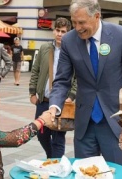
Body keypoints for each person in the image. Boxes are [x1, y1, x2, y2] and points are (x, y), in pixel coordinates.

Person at [45, 0, 122, 165]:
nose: (77, 28)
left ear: (97, 16)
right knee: (84, 172)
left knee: (118, 173)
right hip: (85, 124)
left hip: (116, 123)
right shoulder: (69, 41)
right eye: (74, 22)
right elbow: (62, 81)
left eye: (82, 22)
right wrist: (54, 107)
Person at [29, 17, 76, 158]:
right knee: (41, 133)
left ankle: (55, 164)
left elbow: (78, 76)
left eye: (64, 31)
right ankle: (52, 158)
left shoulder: (73, 51)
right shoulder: (45, 48)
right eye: (58, 30)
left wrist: (72, 95)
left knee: (58, 138)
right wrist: (32, 91)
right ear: (53, 31)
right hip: (44, 100)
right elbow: (35, 70)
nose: (60, 34)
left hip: (62, 102)